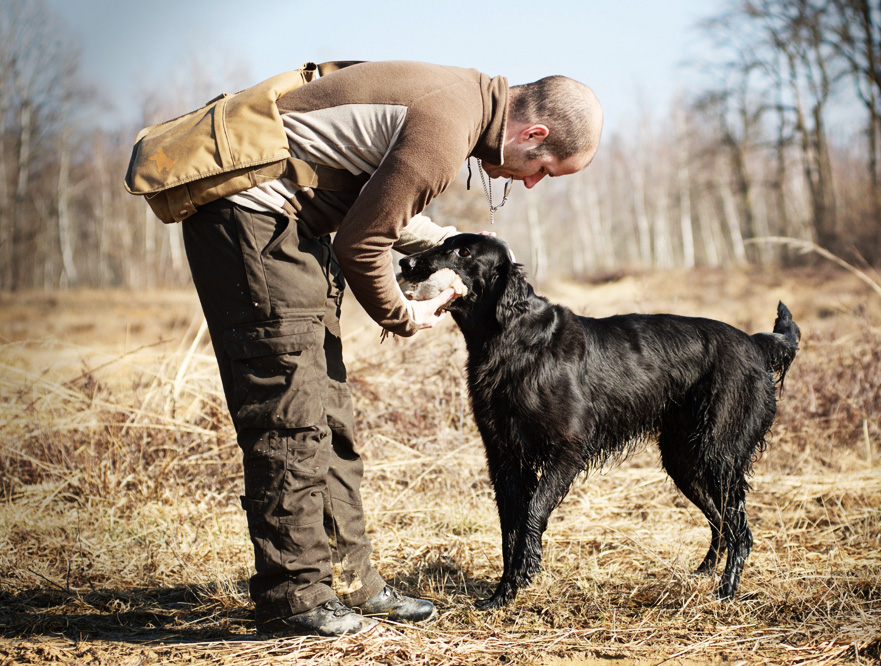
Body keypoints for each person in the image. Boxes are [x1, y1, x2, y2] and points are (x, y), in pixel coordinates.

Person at [180, 60, 602, 637]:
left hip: (290, 226)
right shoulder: (447, 127)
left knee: (328, 418)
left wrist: (453, 248)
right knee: (292, 417)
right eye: (544, 171)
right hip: (255, 220)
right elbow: (363, 242)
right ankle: (296, 599)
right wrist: (407, 316)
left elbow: (380, 204)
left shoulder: (461, 99)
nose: (530, 182)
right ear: (533, 134)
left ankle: (353, 582)